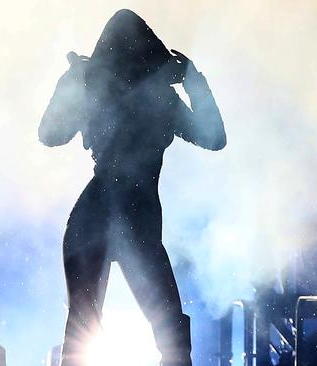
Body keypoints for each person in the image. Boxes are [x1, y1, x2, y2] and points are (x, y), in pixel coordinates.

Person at [38, 9, 226, 366]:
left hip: (99, 217)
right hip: (130, 217)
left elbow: (50, 135)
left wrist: (71, 84)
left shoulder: (100, 92)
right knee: (167, 335)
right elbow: (214, 138)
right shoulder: (160, 100)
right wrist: (194, 83)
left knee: (84, 330)